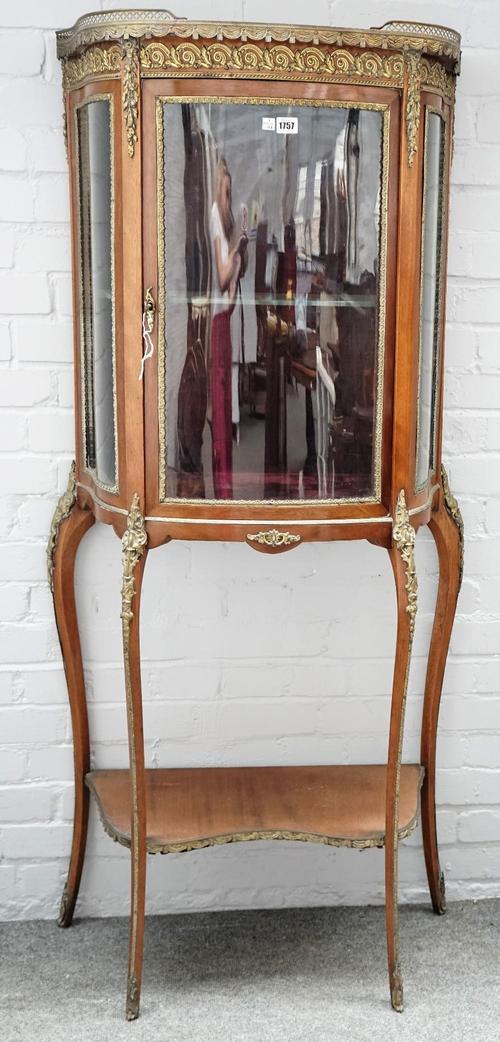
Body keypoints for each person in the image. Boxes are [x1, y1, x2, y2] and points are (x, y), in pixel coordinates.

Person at [210, 157, 247, 499]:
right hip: (216, 323)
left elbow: (229, 285)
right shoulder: (214, 220)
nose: (227, 200)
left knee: (224, 396)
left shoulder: (220, 224)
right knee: (220, 401)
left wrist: (237, 252)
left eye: (230, 193)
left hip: (223, 319)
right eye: (225, 192)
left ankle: (226, 485)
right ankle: (223, 487)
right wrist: (236, 246)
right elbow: (222, 280)